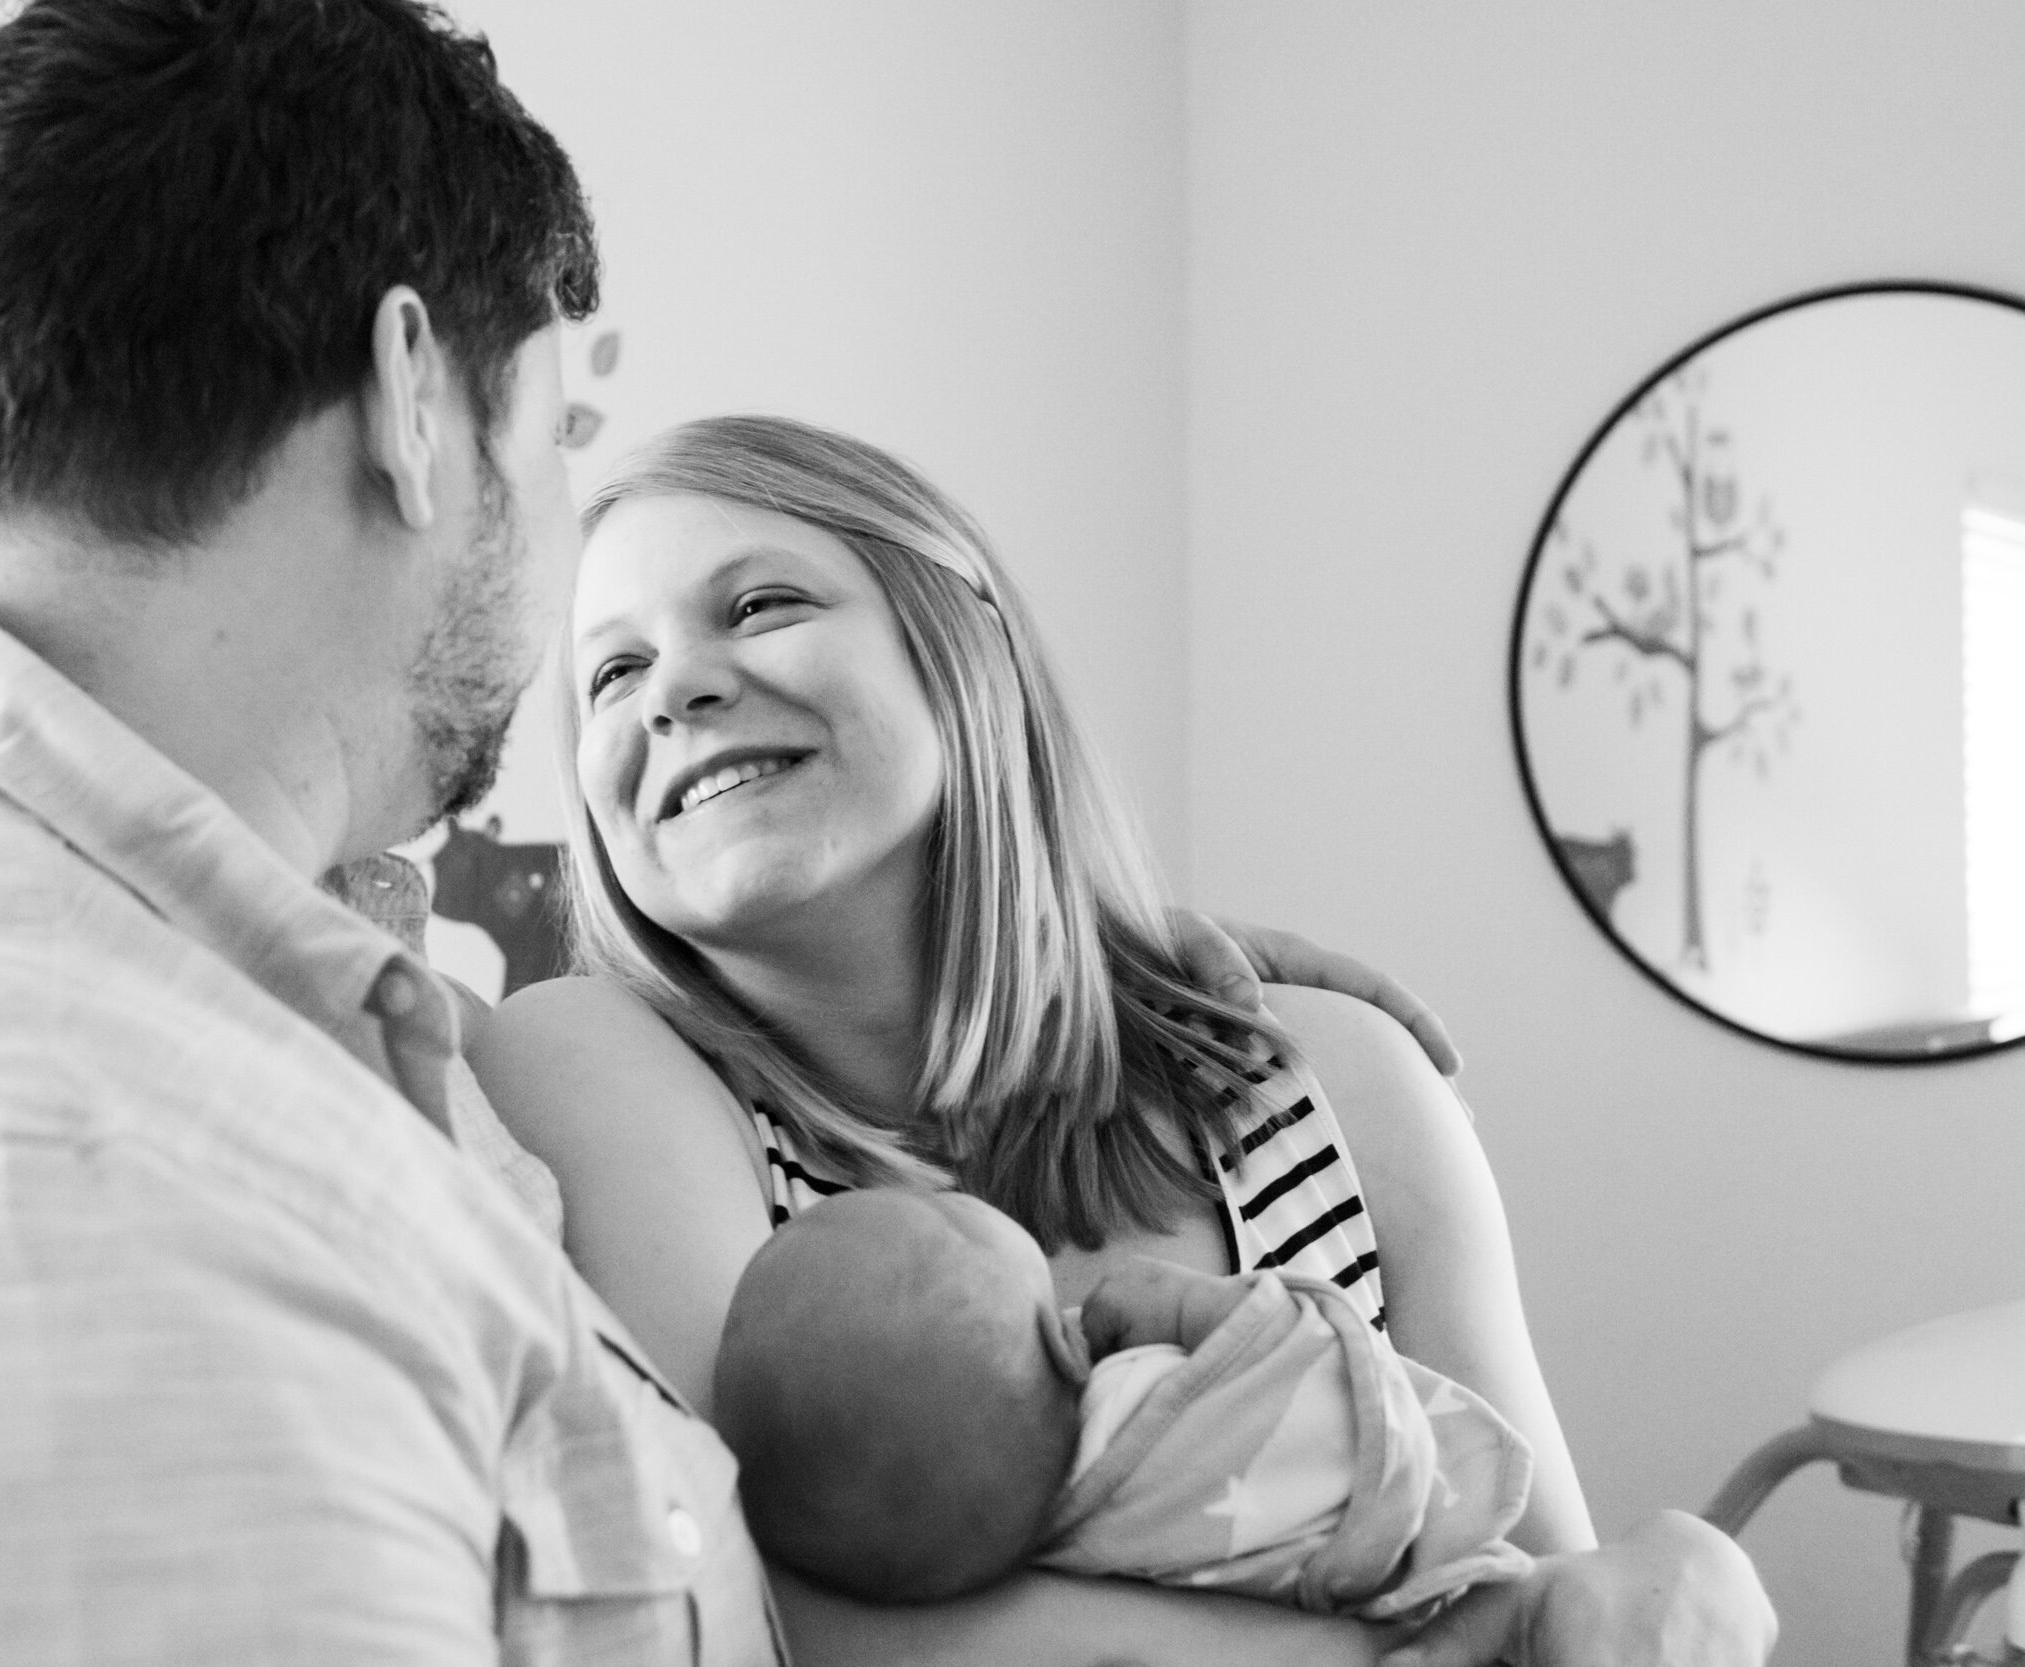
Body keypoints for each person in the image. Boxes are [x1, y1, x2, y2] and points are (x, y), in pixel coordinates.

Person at [0, 5, 1459, 1661]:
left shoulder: (185, 989)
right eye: (550, 442)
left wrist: (1134, 962)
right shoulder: (81, 1211)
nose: (625, 674)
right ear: (415, 405)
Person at [469, 413, 1779, 1666]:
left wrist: (1665, 1592)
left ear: (966, 643)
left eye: (761, 603)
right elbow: (754, 1613)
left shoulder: (1345, 1086)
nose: (675, 686)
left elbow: (1566, 1593)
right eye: (610, 671)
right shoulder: (589, 1066)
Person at [712, 1188, 1533, 1619]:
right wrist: (1211, 1315)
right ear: (1067, 1347)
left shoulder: (1020, 1549)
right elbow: (1359, 1425)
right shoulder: (1147, 1424)